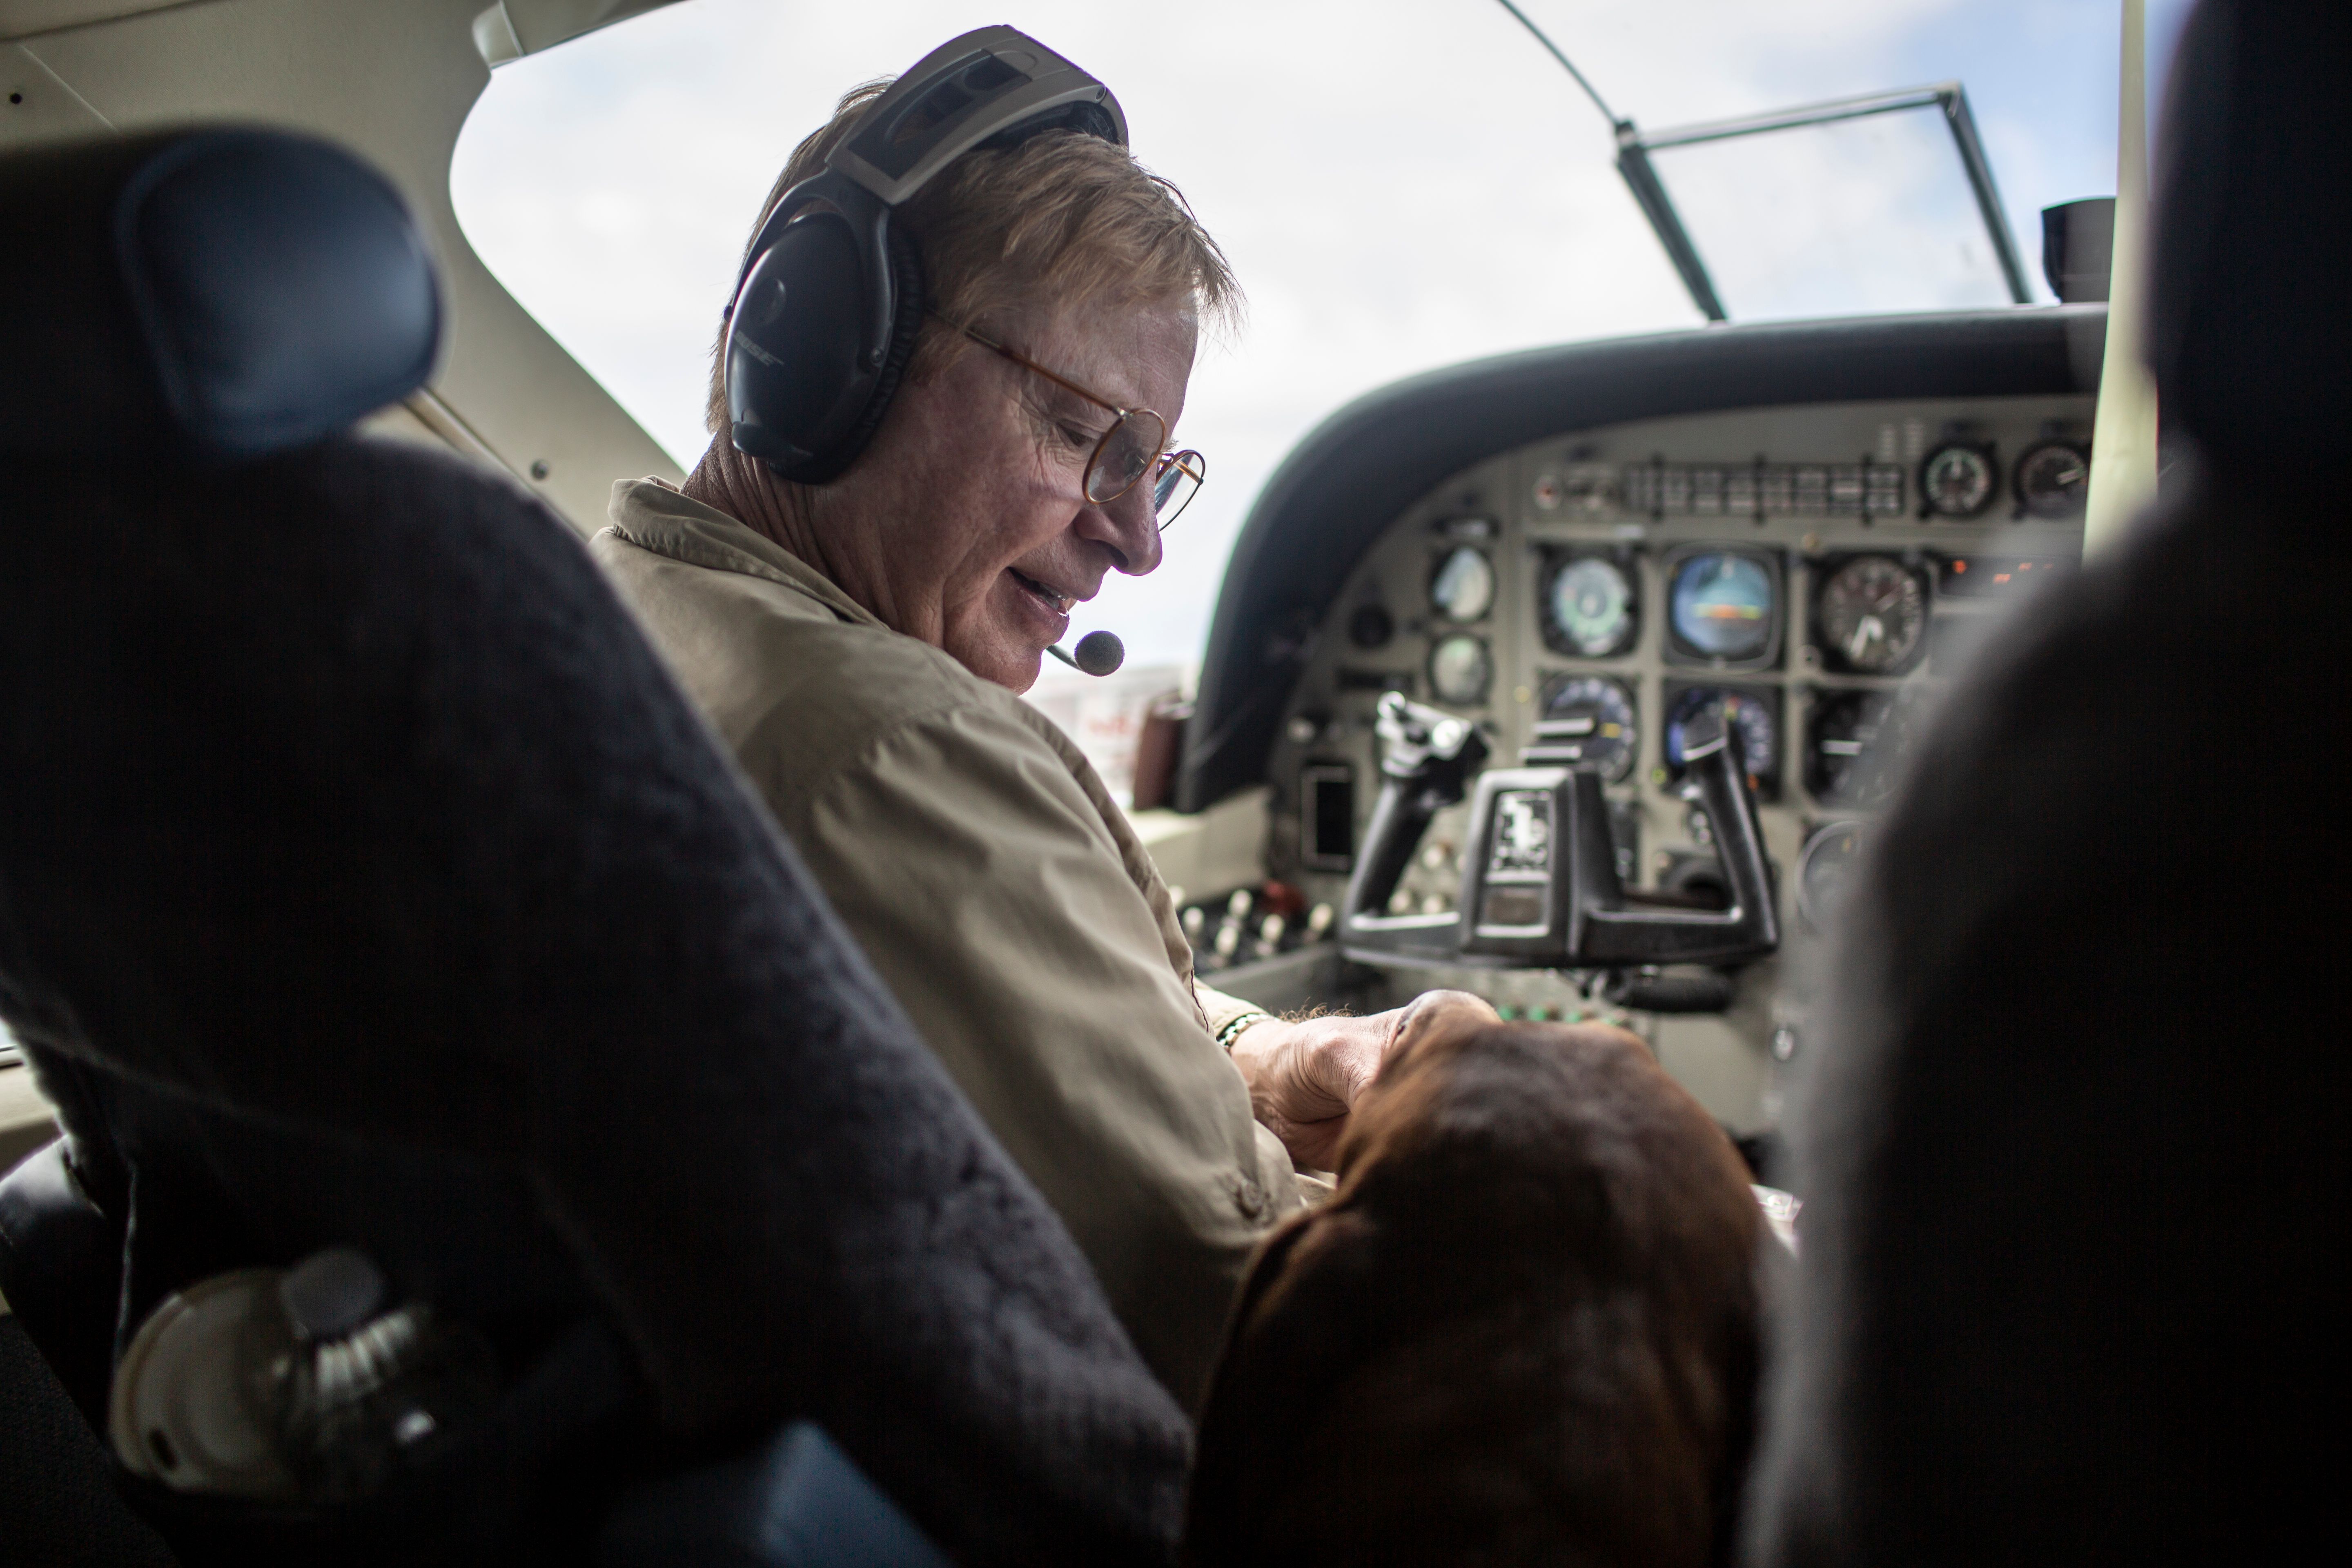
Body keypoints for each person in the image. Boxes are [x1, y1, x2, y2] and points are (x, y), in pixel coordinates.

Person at [593, 69, 1456, 1411]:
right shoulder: (893, 752)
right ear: (827, 352)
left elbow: (1016, 1019)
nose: (1141, 536)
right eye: (1080, 432)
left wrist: (1270, 1060)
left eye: (1154, 466)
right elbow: (1265, 1324)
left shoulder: (623, 604)